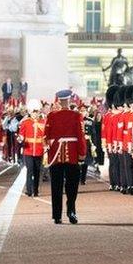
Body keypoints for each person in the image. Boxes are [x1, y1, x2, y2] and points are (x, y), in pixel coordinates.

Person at [44, 89, 88, 224]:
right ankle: (71, 211)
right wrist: (82, 154)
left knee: (56, 186)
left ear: (59, 101)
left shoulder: (51, 116)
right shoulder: (77, 116)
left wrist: (48, 150)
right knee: (72, 187)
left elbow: (46, 135)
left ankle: (57, 215)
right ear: (69, 101)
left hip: (55, 155)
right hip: (72, 154)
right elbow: (81, 137)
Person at [18, 100, 46, 197]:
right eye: (34, 112)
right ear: (30, 112)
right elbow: (21, 134)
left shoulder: (43, 122)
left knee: (37, 171)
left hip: (39, 150)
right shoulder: (26, 122)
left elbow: (45, 136)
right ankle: (29, 190)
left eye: (37, 112)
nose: (35, 114)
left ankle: (36, 190)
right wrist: (20, 138)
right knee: (29, 170)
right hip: (28, 149)